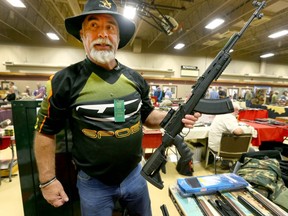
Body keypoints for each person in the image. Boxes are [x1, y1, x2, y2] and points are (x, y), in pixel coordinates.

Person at [33, 1, 200, 215]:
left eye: (110, 27)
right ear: (82, 34)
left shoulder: (135, 78)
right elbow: (45, 132)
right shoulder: (63, 81)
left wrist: (175, 116)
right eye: (94, 26)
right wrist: (47, 181)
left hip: (136, 176)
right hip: (93, 184)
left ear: (118, 38)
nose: (103, 34)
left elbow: (147, 115)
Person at [208, 102, 256, 168]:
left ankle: (226, 163)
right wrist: (242, 129)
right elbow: (238, 132)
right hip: (221, 148)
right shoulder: (229, 117)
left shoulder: (221, 114)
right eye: (238, 110)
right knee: (251, 150)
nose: (238, 112)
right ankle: (240, 168)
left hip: (213, 145)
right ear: (234, 110)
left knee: (231, 140)